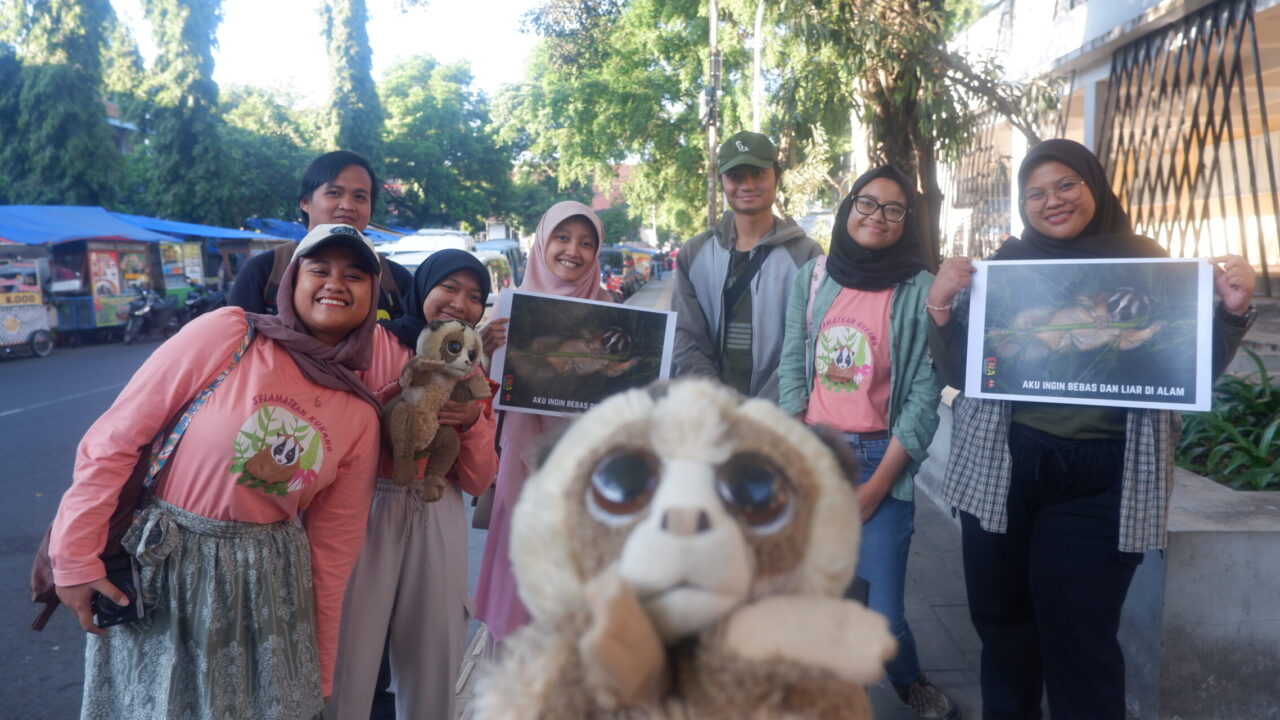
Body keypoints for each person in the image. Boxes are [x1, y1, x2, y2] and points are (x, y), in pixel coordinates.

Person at [924, 139, 1257, 720]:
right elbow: (962, 373)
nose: (1051, 201)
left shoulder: (1152, 266)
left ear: (1094, 186)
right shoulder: (1002, 268)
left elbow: (1183, 373)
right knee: (1004, 630)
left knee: (1080, 642)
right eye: (1035, 193)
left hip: (1100, 476)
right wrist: (941, 310)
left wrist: (1229, 312)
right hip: (1000, 468)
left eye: (1066, 185)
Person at [50, 224, 406, 719]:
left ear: (372, 296)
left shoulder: (360, 416)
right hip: (167, 573)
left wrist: (318, 667)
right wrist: (73, 557)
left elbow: (332, 551)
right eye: (319, 268)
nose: (335, 283)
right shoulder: (229, 334)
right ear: (292, 281)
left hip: (269, 593)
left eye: (355, 275)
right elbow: (115, 439)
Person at [777, 165, 958, 720]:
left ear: (909, 221)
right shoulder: (812, 277)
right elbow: (792, 368)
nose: (876, 216)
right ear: (848, 206)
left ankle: (910, 680)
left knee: (881, 613)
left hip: (884, 459)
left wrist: (878, 486)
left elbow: (924, 398)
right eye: (866, 202)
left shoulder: (921, 289)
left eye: (893, 208)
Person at [328, 251, 499, 720]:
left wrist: (473, 424)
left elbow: (482, 479)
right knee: (348, 656)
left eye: (474, 297)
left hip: (438, 504)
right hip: (365, 506)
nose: (459, 304)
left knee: (434, 658)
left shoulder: (471, 367)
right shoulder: (374, 343)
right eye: (449, 288)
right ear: (423, 287)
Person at [473, 200, 612, 650]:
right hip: (522, 467)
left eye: (586, 243)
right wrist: (482, 349)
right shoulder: (509, 307)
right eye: (562, 238)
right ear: (542, 242)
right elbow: (480, 400)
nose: (573, 250)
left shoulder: (611, 311)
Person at [672, 130, 822, 401]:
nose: (747, 185)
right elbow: (685, 338)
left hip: (778, 416)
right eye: (736, 176)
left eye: (758, 173)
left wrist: (764, 412)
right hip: (708, 412)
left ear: (776, 176)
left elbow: (807, 344)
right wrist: (718, 403)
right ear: (722, 182)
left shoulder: (807, 255)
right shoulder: (693, 255)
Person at [229, 150, 415, 325]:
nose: (347, 205)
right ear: (305, 202)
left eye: (360, 197)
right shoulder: (264, 272)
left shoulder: (397, 281)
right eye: (334, 193)